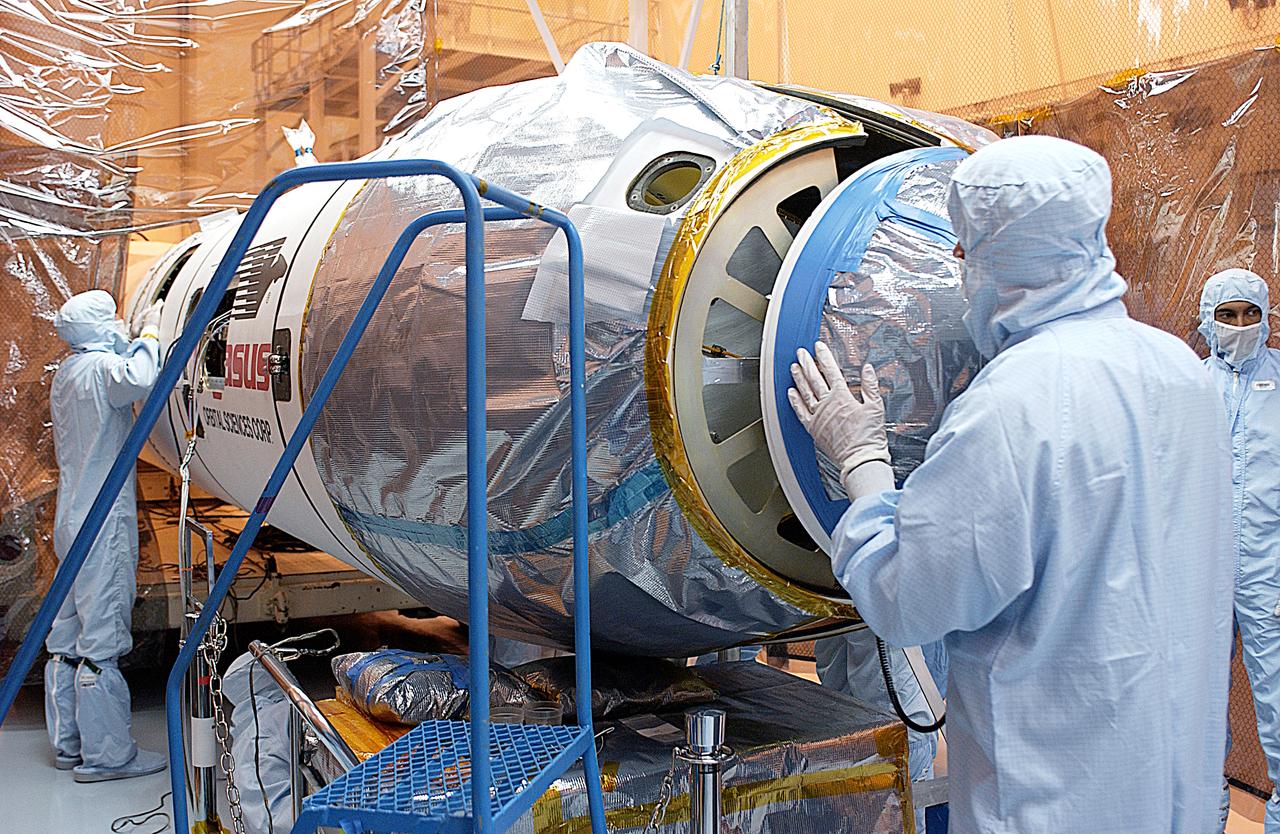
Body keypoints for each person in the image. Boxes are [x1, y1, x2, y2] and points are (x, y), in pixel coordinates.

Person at [787, 136, 1233, 831]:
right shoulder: (1179, 371)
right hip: (1175, 793)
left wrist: (862, 458)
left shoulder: (1013, 407)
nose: (957, 265)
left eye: (962, 247)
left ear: (993, 256)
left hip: (1052, 801)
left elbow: (908, 597)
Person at [43, 290, 165, 782]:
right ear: (99, 326)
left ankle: (68, 744)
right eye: (112, 318)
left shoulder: (68, 372)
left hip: (71, 514)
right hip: (101, 519)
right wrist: (151, 334)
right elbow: (139, 378)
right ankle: (108, 758)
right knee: (101, 638)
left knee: (67, 632)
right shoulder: (100, 370)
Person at [1199, 268, 1280, 832]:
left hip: (1268, 567)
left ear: (1267, 317)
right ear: (1208, 320)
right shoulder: (1187, 384)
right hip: (1200, 565)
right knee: (1199, 694)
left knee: (1276, 687)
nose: (1239, 325)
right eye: (1227, 315)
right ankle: (1204, 812)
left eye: (1249, 313)